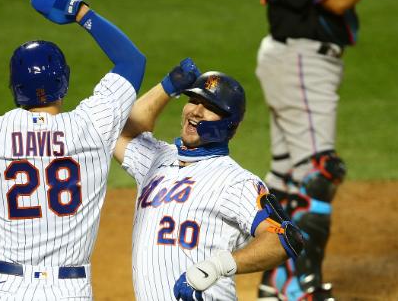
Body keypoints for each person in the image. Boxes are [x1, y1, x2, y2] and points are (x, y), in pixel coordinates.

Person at [0, 0, 145, 300]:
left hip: (4, 288)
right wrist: (80, 12)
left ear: (15, 86)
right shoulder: (93, 125)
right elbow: (131, 62)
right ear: (64, 81)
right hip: (69, 290)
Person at [112, 58, 304, 301]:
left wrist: (218, 265)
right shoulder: (156, 158)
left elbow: (285, 238)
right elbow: (120, 132)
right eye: (193, 100)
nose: (195, 111)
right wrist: (167, 87)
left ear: (228, 123)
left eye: (209, 107)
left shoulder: (235, 181)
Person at [255, 0, 376, 299]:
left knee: (289, 176)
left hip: (294, 57)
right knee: (317, 175)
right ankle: (299, 289)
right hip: (301, 60)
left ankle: (276, 281)